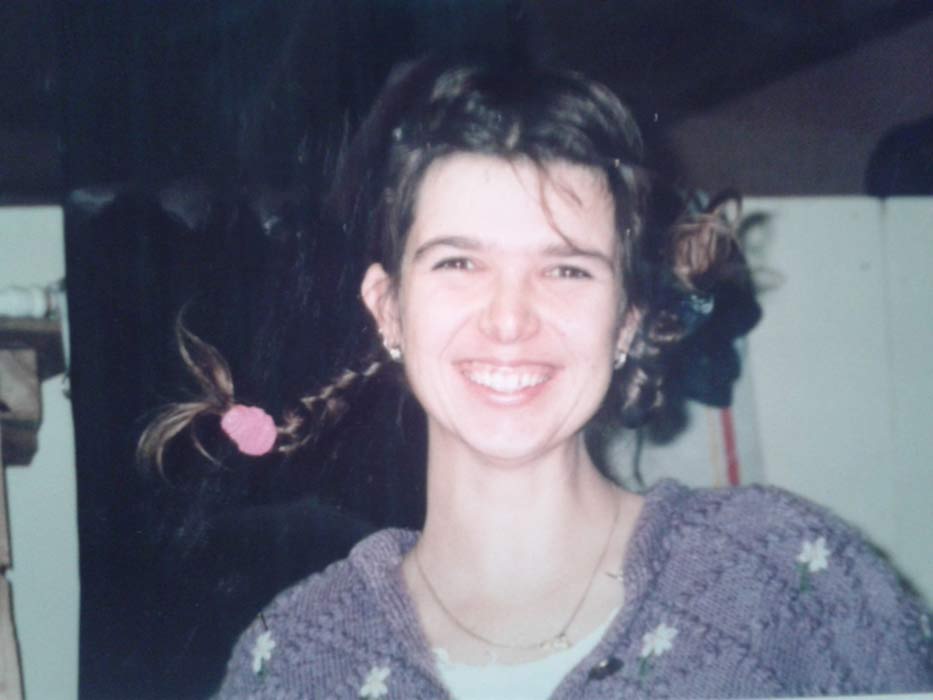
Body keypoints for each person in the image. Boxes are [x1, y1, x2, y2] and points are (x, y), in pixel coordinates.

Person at [140, 56, 932, 699]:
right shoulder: (291, 660)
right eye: (459, 263)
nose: (510, 319)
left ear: (627, 322)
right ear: (388, 310)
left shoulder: (788, 582)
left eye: (565, 270)